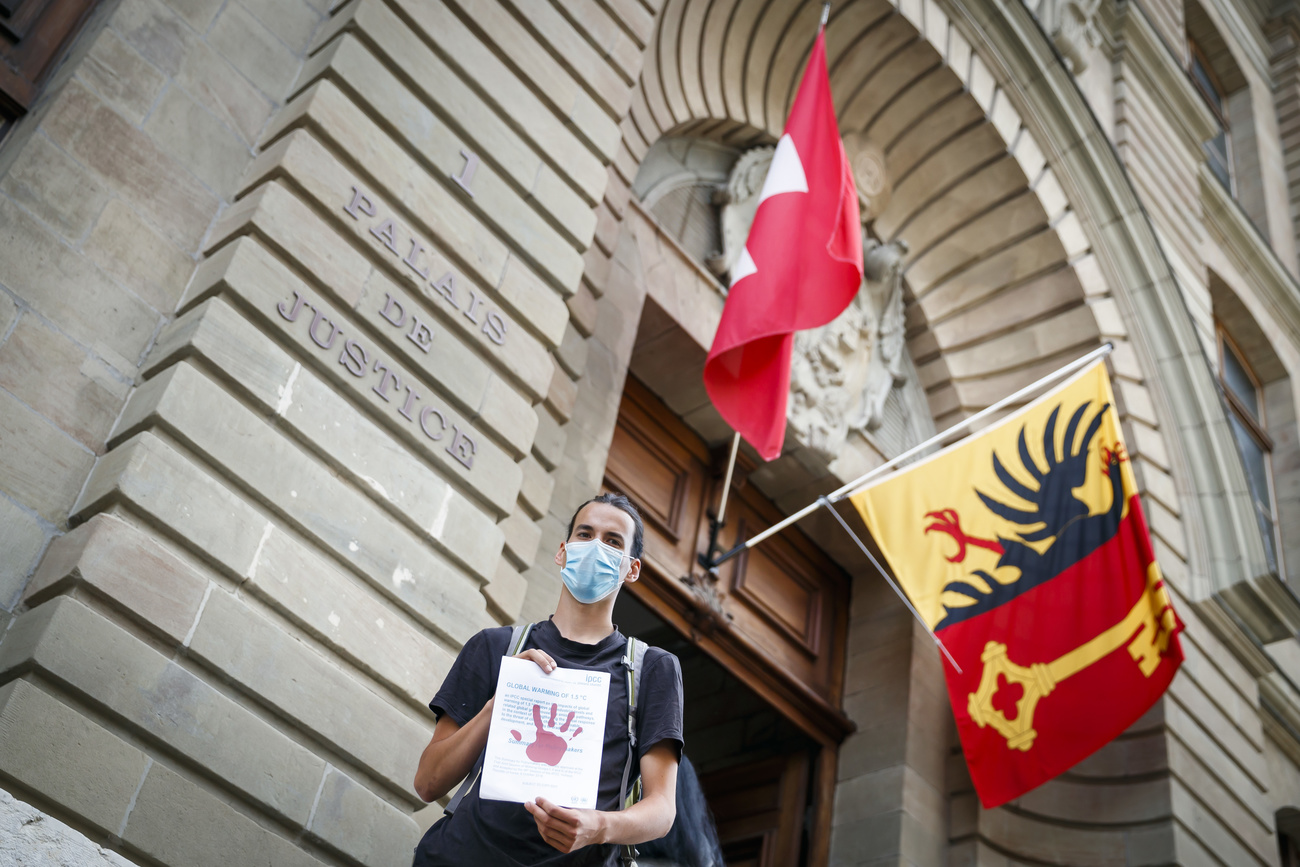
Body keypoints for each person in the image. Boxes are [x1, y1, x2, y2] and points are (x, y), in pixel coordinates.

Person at [412, 492, 685, 866]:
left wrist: (598, 827)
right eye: (585, 534)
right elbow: (428, 782)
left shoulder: (653, 669)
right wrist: (500, 702)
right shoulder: (495, 647)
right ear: (562, 551)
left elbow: (662, 810)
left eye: (612, 541)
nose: (594, 548)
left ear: (631, 568)